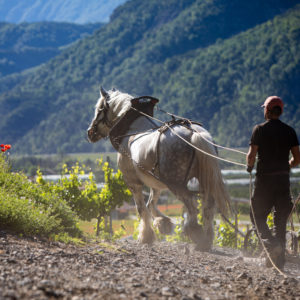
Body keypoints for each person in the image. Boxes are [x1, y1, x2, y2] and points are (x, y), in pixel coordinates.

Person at [246, 96, 300, 269]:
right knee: (281, 220)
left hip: (264, 182)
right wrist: (288, 165)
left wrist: (249, 166)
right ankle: (278, 262)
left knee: (256, 215)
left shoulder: (259, 129)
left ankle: (270, 245)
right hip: (283, 181)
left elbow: (251, 155)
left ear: (267, 111)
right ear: (280, 111)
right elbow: (297, 158)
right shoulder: (290, 131)